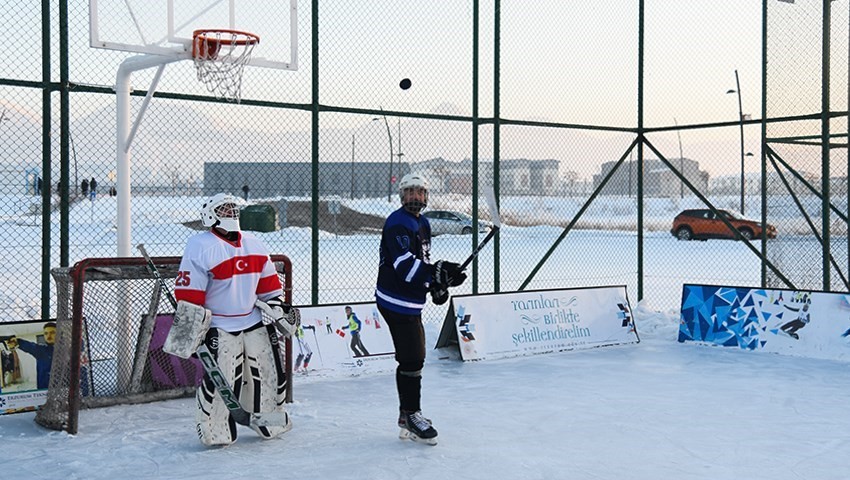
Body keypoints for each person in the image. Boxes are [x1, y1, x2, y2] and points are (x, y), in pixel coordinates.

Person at [174, 193, 296, 447]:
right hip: (219, 325)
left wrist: (277, 308)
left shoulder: (254, 243)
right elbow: (188, 295)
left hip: (252, 321)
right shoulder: (200, 245)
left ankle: (269, 421)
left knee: (270, 373)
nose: (232, 213)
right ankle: (215, 427)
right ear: (211, 215)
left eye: (233, 208)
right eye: (225, 209)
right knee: (224, 379)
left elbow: (270, 288)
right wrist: (191, 332)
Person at [375, 172, 467, 445]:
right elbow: (405, 267)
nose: (415, 197)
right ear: (402, 196)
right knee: (413, 358)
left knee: (411, 357)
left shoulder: (423, 223)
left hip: (410, 301)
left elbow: (421, 262)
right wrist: (436, 272)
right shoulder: (397, 224)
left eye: (420, 192)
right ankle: (412, 416)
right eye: (410, 192)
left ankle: (407, 416)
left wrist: (436, 283)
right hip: (395, 300)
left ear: (426, 196)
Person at [6, 322, 57, 390]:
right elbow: (31, 347)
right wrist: (17, 342)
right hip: (44, 390)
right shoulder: (42, 351)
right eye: (46, 333)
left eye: (52, 332)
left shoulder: (68, 350)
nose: (48, 336)